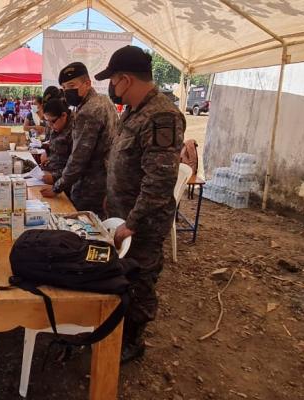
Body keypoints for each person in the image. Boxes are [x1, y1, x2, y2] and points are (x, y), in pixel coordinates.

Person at [96, 45, 185, 363]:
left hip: (143, 223)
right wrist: (110, 194)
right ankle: (118, 329)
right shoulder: (134, 111)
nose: (112, 86)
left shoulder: (162, 117)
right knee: (123, 274)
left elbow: (159, 182)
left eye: (113, 80)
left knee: (140, 278)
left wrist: (132, 223)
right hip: (122, 213)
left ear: (126, 79)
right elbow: (124, 161)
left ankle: (133, 341)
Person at [40, 62, 117, 217]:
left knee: (83, 225)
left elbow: (78, 158)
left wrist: (56, 187)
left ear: (87, 83)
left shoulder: (88, 111)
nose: (67, 91)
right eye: (64, 87)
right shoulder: (104, 100)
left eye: (72, 85)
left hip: (90, 186)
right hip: (107, 180)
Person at [41, 98, 74, 188]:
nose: (50, 126)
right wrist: (47, 152)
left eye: (52, 121)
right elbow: (54, 145)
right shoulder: (57, 125)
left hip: (64, 183)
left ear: (63, 115)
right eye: (47, 121)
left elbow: (75, 164)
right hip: (50, 173)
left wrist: (55, 177)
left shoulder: (76, 130)